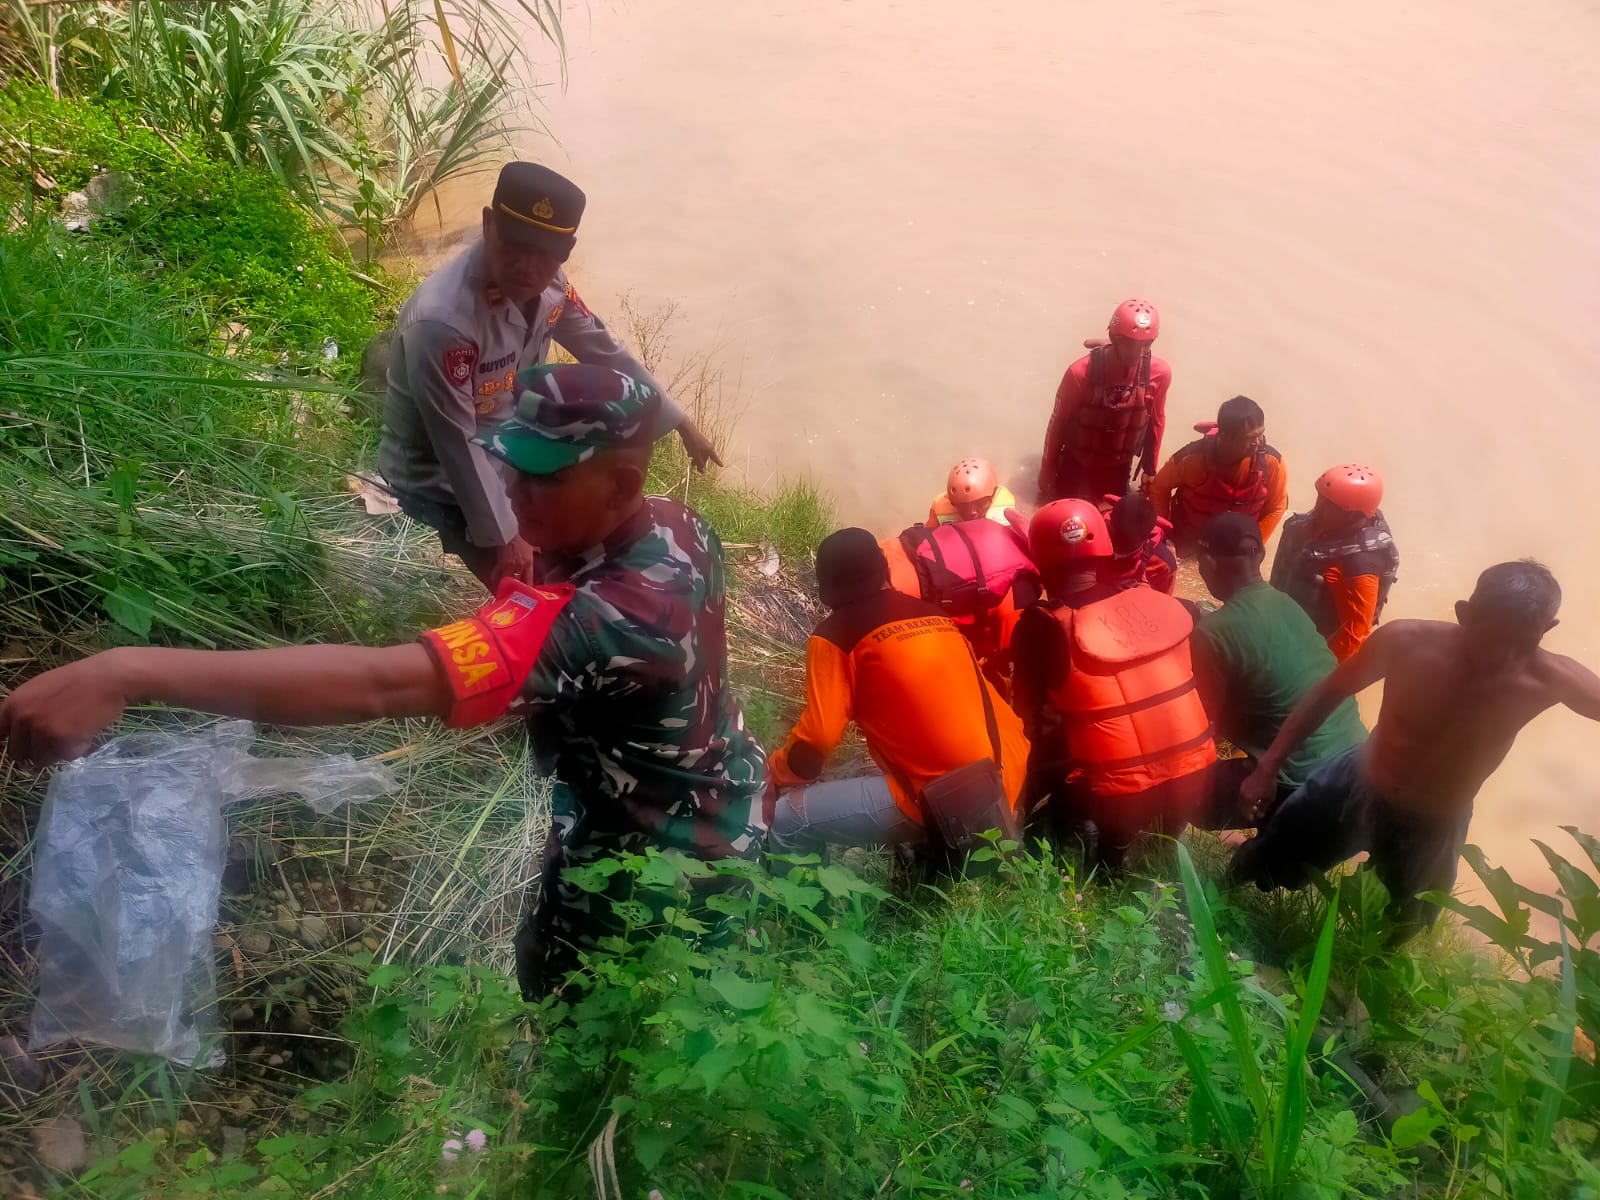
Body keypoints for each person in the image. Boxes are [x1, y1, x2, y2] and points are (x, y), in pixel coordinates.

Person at [1, 364, 766, 1000]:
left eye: (542, 477)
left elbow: (378, 686)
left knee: (589, 1009)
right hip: (711, 784)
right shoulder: (676, 524)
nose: (512, 491)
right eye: (509, 462)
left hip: (660, 859)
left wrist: (129, 671)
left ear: (621, 482)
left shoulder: (616, 621)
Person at [380, 161, 721, 592]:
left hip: (509, 451)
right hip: (439, 475)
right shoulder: (444, 321)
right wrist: (508, 536)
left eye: (545, 254)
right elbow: (457, 445)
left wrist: (678, 421)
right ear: (488, 224)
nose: (527, 267)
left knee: (594, 536)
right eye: (515, 247)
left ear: (566, 252)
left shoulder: (551, 288)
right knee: (536, 589)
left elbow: (603, 349)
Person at [1230, 560, 1600, 940]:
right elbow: (1330, 691)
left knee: (1406, 921)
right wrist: (1266, 768)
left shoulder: (1552, 679)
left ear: (1547, 631)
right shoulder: (1405, 642)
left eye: (1522, 643)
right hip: (1357, 782)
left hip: (1435, 822)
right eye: (1491, 638)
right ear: (1465, 614)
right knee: (1272, 853)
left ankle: (1365, 981)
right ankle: (1214, 900)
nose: (1503, 657)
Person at [767, 529, 1030, 854]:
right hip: (1007, 770)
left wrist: (774, 772)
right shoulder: (935, 614)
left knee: (786, 820)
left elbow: (815, 743)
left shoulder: (835, 636)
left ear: (826, 588)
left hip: (950, 794)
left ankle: (799, 902)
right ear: (885, 570)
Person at [1010, 500, 1216, 868]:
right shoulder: (1157, 599)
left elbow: (1026, 715)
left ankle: (1094, 841)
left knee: (1043, 740)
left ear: (1037, 556)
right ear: (1104, 545)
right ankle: (1162, 843)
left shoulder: (1040, 625)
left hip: (1120, 794)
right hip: (1196, 773)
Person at [1190, 513, 1368, 826]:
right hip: (1355, 766)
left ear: (1208, 561)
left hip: (1298, 781)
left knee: (1192, 799)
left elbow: (1204, 726)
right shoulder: (1287, 603)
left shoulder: (1212, 632)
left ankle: (1267, 825)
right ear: (1259, 553)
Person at [884, 515, 1041, 692]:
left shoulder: (998, 529)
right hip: (899, 594)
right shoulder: (1021, 585)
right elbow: (1009, 661)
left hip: (889, 552)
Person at [1038, 299, 1172, 504]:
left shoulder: (1159, 373)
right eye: (1130, 344)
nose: (1138, 352)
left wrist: (1150, 469)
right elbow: (1057, 423)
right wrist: (1047, 470)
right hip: (1076, 464)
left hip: (1118, 466)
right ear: (1113, 338)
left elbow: (1157, 420)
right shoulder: (1079, 373)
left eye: (1146, 344)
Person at [1271, 464, 1400, 662]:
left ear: (1353, 516)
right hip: (1283, 623)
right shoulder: (1322, 527)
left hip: (1311, 647)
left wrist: (1318, 672)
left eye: (1329, 505)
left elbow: (1353, 637)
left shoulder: (1358, 565)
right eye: (1320, 497)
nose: (1318, 507)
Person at [1147, 395, 1288, 555]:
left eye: (1260, 434)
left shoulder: (1272, 463)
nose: (1258, 442)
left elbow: (1277, 507)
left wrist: (1253, 547)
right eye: (1249, 438)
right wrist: (1164, 536)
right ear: (1225, 437)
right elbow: (1159, 488)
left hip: (1234, 547)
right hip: (1188, 537)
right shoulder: (1191, 459)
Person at [1105, 492, 1177, 595]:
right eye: (1115, 538)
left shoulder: (1163, 565)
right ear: (1110, 524)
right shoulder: (1094, 531)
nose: (1118, 549)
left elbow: (1163, 604)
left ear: (1148, 537)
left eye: (1127, 543)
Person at [926, 457, 1018, 526]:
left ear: (994, 494)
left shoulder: (1008, 508)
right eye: (963, 505)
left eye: (980, 503)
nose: (971, 512)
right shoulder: (940, 508)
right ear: (952, 503)